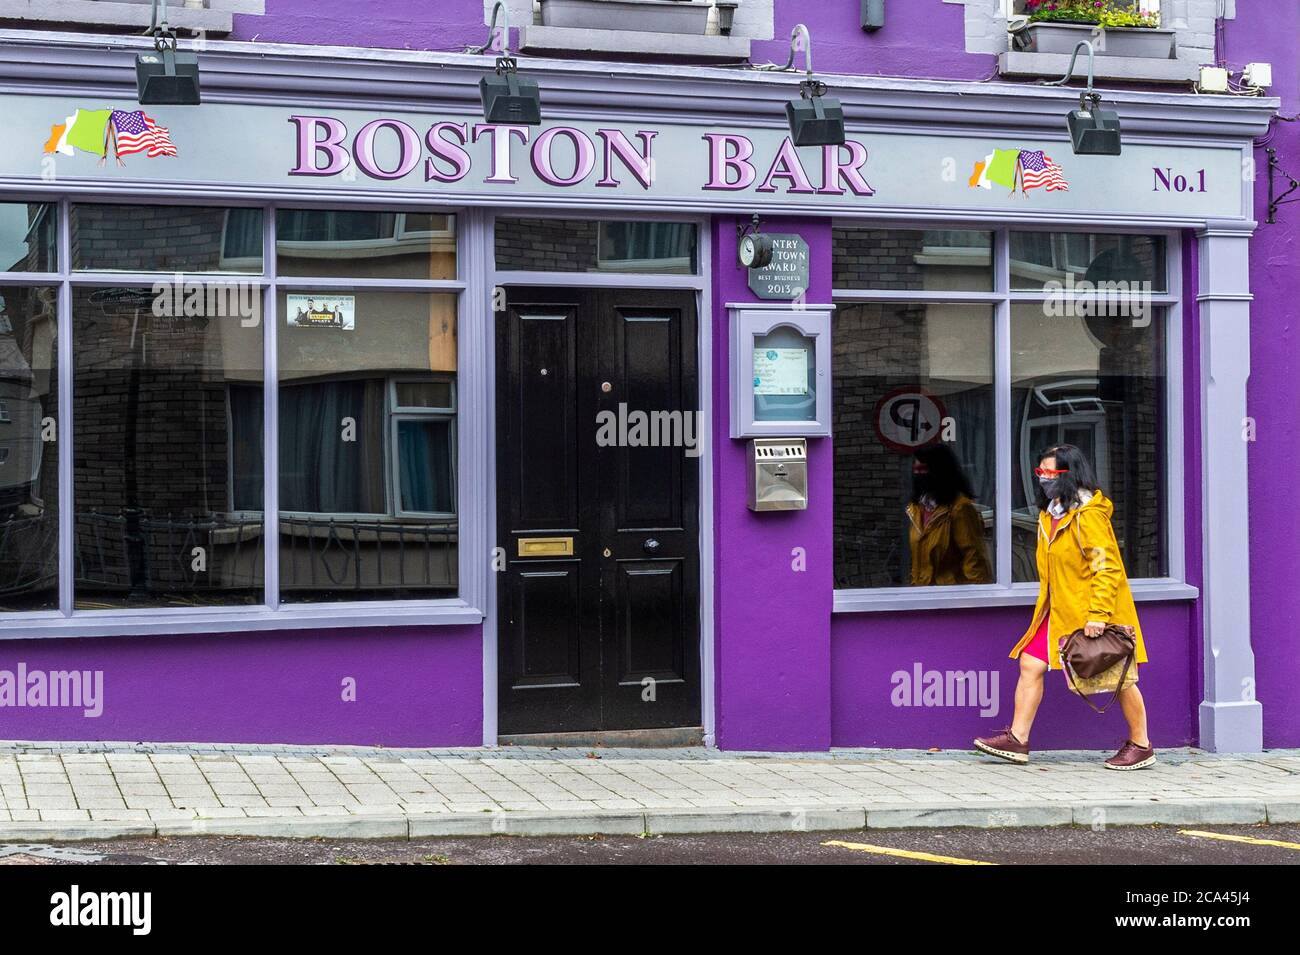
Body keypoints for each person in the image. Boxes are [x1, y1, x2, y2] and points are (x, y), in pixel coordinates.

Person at [974, 444, 1154, 770]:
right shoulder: (1052, 514)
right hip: (1058, 612)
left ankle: (1141, 744)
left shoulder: (1089, 518)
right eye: (1039, 472)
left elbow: (1107, 568)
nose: (1043, 479)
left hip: (1089, 614)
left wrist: (1098, 615)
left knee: (1119, 676)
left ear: (1070, 475)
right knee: (1030, 663)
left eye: (1050, 473)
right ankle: (1018, 738)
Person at [906, 443, 991, 586]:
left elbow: (974, 558)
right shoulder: (916, 509)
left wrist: (976, 600)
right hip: (923, 597)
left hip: (951, 597)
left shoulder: (960, 508)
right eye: (915, 470)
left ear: (939, 471)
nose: (918, 475)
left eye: (923, 469)